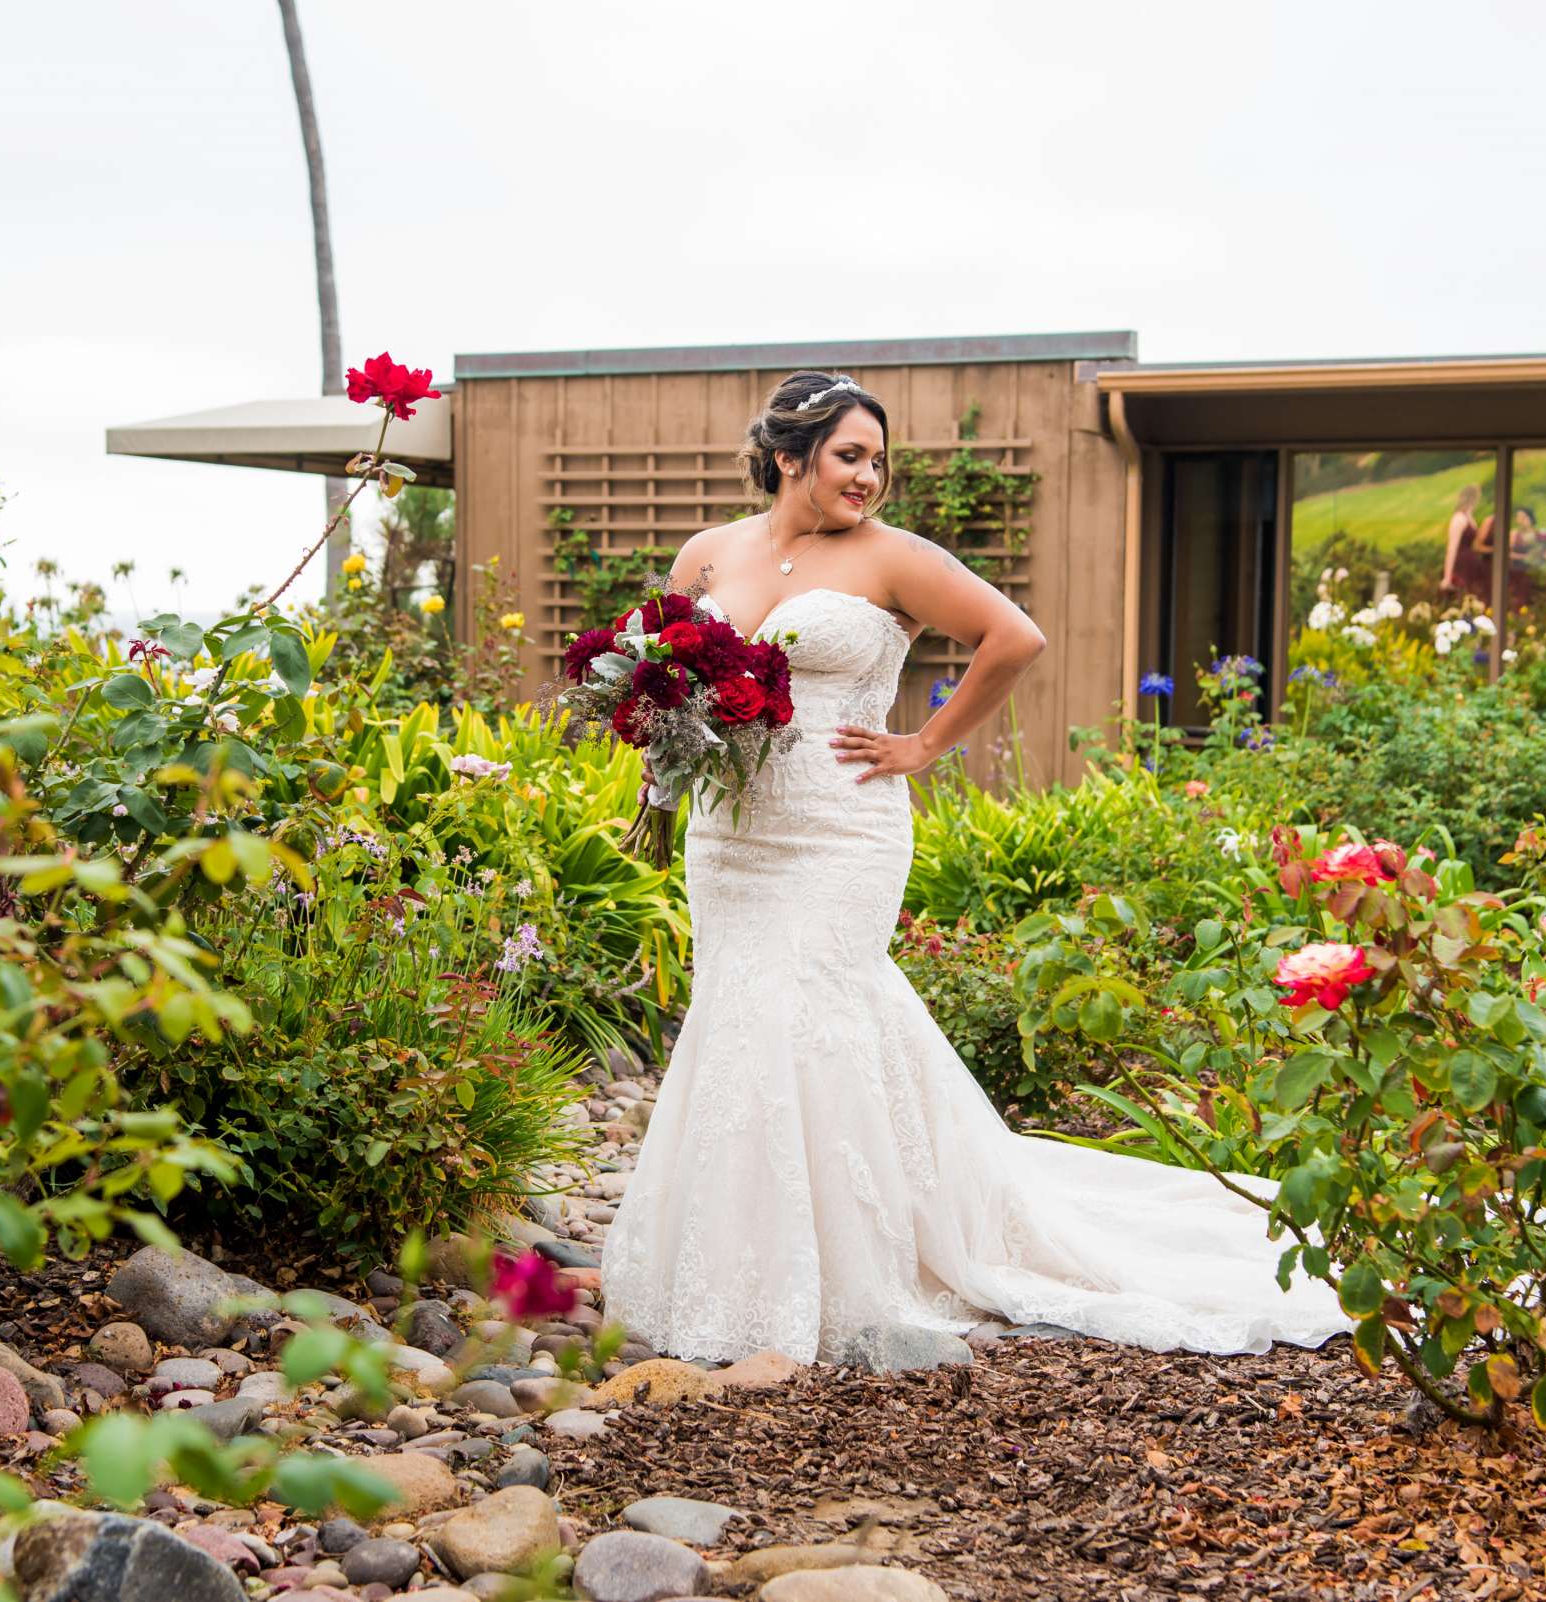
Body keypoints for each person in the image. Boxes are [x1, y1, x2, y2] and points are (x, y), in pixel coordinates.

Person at [599, 370, 1353, 1365]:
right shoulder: (711, 552)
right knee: (744, 1018)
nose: (869, 477)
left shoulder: (895, 558)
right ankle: (741, 1265)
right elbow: (669, 686)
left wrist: (922, 744)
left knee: (800, 1009)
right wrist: (658, 788)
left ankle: (836, 1275)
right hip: (729, 837)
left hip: (841, 832)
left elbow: (1015, 637)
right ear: (790, 456)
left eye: (877, 460)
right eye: (849, 457)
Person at [1441, 482, 1490, 601]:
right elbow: (1452, 548)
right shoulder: (1458, 518)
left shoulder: (1469, 517)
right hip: (1461, 562)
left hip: (1470, 561)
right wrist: (1447, 577)